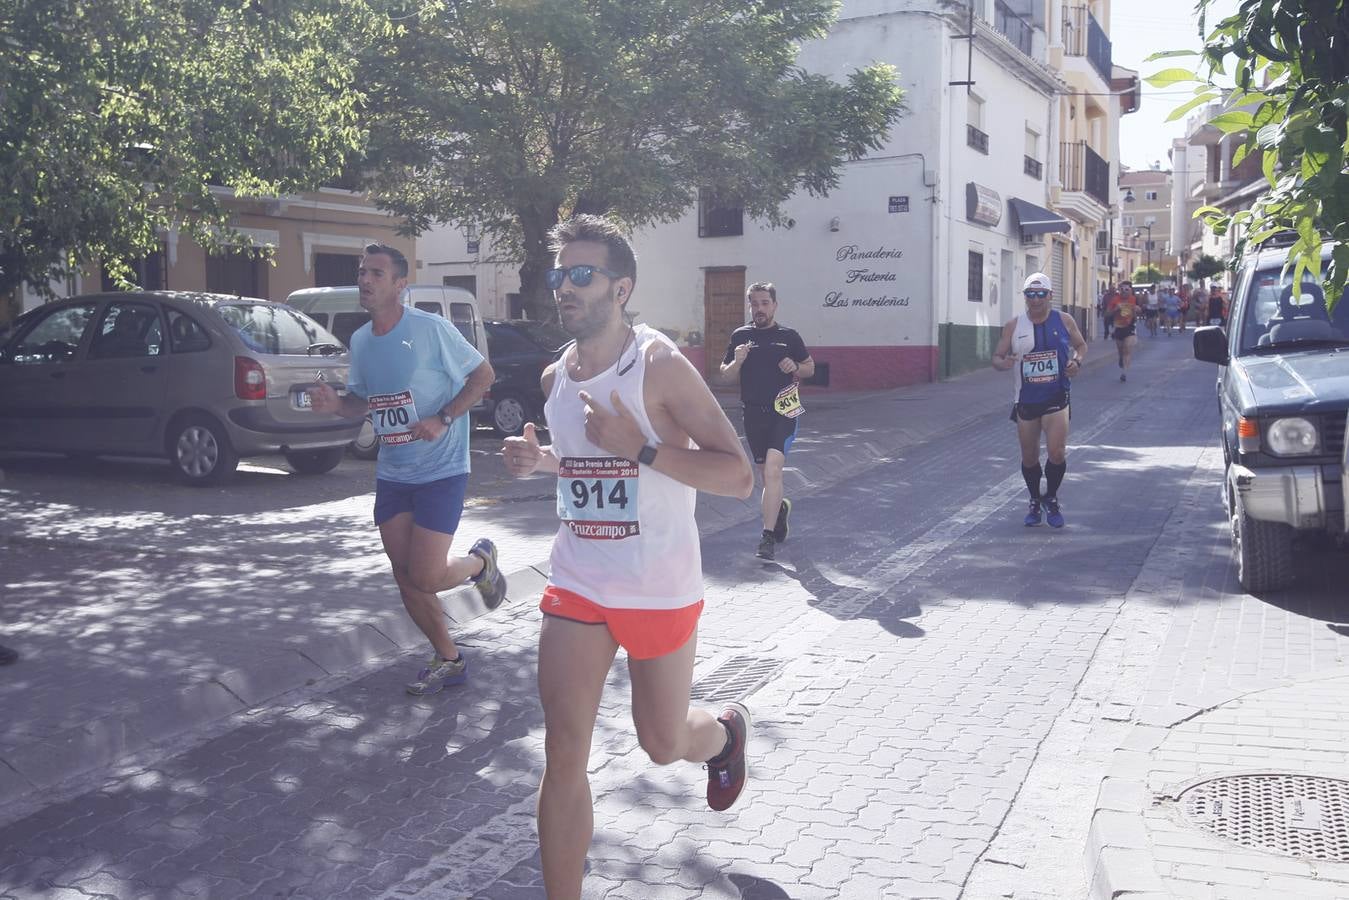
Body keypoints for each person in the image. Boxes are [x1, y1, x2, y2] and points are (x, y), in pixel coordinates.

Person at [502, 215, 755, 900]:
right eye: (560, 275)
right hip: (578, 581)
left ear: (621, 288)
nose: (565, 288)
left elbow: (737, 477)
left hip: (658, 587)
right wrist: (543, 461)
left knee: (662, 742)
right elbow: (587, 469)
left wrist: (638, 447)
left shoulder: (659, 365)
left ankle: (724, 735)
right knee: (562, 756)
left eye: (581, 275)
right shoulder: (557, 376)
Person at [308, 243, 505, 696]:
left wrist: (444, 418)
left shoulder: (431, 329)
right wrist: (335, 403)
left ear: (400, 285)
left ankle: (480, 563)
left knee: (427, 575)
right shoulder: (360, 341)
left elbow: (484, 376)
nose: (365, 280)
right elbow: (362, 402)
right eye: (362, 272)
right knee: (404, 574)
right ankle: (449, 659)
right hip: (394, 473)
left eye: (376, 273)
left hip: (442, 468)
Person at [718, 282, 815, 560]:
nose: (759, 308)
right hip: (753, 413)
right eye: (754, 303)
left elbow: (810, 367)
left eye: (764, 303)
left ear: (774, 305)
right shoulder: (740, 336)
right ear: (749, 306)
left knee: (773, 469)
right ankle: (779, 509)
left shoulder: (789, 336)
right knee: (765, 472)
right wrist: (737, 362)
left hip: (783, 410)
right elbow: (724, 375)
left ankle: (767, 537)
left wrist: (795, 367)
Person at [992, 273, 1088, 529]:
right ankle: (1035, 499)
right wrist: (1005, 363)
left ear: (1050, 296)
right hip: (1026, 400)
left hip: (1057, 396)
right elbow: (997, 358)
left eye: (1040, 294)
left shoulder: (1065, 320)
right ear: (1025, 297)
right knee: (1029, 457)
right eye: (1030, 295)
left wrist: (1076, 361)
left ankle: (1052, 498)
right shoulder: (1013, 325)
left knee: (1057, 452)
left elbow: (1081, 345)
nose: (1035, 300)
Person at [1106, 280, 1141, 381]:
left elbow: (1140, 311)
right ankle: (1121, 358)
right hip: (1118, 328)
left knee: (1127, 349)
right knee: (1121, 350)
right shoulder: (1115, 300)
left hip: (1130, 327)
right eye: (1122, 289)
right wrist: (1115, 309)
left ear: (1131, 290)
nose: (1124, 291)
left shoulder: (1134, 299)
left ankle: (1124, 373)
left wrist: (1138, 310)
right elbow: (1107, 314)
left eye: (1127, 289)